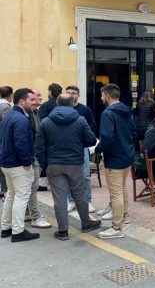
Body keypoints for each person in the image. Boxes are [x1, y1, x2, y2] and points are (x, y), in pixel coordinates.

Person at [35, 94, 101, 240]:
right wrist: (77, 146)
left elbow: (39, 147)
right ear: (73, 104)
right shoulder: (80, 120)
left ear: (57, 104)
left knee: (59, 198)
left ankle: (63, 231)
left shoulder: (46, 122)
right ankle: (86, 223)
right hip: (75, 164)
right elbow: (90, 140)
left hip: (53, 164)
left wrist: (45, 166)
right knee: (79, 194)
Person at [94, 84, 136, 239]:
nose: (101, 98)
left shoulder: (108, 113)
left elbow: (107, 137)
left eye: (102, 95)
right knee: (122, 188)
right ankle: (124, 216)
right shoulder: (127, 111)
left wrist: (98, 150)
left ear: (108, 96)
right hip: (127, 155)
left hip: (114, 157)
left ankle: (116, 227)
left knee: (116, 191)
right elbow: (133, 133)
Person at [0, 88, 40, 242]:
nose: (34, 102)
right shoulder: (21, 119)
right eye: (31, 100)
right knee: (21, 197)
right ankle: (18, 231)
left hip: (7, 163)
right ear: (22, 101)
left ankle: (6, 228)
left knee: (11, 195)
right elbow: (21, 143)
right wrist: (27, 162)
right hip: (18, 164)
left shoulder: (10, 116)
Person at [65, 85, 97, 214]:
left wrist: (83, 132)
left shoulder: (84, 109)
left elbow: (93, 125)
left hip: (82, 146)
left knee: (85, 175)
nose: (71, 95)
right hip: (67, 147)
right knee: (69, 176)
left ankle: (88, 201)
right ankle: (71, 200)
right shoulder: (62, 109)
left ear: (78, 95)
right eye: (68, 93)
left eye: (73, 93)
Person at [24, 88, 52, 229]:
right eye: (38, 95)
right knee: (33, 187)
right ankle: (35, 217)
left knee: (30, 187)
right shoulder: (27, 114)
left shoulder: (35, 112)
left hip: (35, 154)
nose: (41, 98)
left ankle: (28, 213)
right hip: (32, 156)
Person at [0, 86, 13, 199]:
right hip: (2, 140)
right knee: (3, 168)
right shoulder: (5, 107)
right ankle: (4, 191)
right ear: (10, 95)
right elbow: (6, 125)